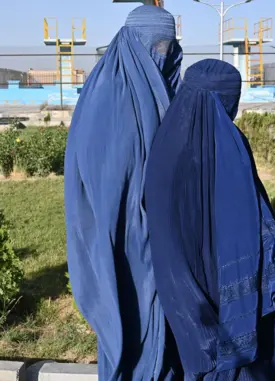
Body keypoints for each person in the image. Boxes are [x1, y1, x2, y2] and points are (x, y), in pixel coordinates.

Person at [144, 59, 275, 380]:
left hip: (178, 294)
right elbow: (247, 230)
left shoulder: (164, 141)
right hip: (218, 297)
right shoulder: (227, 146)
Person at [64, 5, 183, 380]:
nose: (161, 54)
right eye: (156, 45)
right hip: (120, 237)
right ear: (131, 43)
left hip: (151, 239)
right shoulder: (109, 99)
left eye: (168, 46)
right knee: (128, 322)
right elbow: (103, 182)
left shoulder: (157, 90)